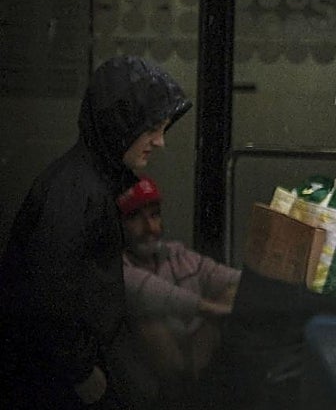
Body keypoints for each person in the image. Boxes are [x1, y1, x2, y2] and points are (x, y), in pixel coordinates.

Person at [0, 56, 191, 409]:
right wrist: (80, 370)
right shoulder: (78, 192)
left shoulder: (89, 182)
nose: (160, 142)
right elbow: (48, 293)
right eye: (152, 128)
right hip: (54, 375)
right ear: (120, 124)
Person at [117, 176, 240, 407]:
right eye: (135, 218)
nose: (150, 228)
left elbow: (225, 276)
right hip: (148, 389)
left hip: (195, 363)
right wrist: (211, 310)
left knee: (233, 292)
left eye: (154, 215)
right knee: (149, 322)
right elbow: (149, 291)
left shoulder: (175, 255)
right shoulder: (112, 267)